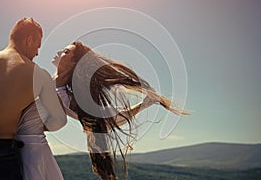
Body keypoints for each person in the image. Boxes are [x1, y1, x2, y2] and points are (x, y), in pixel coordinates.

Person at [52, 41, 186, 180]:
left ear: (73, 64)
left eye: (66, 52)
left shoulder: (72, 96)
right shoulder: (58, 80)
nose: (60, 52)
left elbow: (109, 119)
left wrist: (143, 105)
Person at [0, 18, 67, 180]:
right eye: (37, 47)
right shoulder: (38, 75)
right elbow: (59, 120)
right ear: (29, 40)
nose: (37, 53)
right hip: (1, 153)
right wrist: (33, 129)